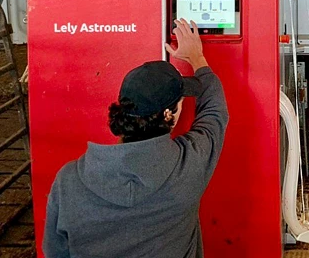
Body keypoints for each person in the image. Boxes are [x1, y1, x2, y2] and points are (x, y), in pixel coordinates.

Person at [43, 19, 228, 258]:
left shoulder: (68, 180)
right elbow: (215, 111)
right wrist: (197, 58)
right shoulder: (188, 167)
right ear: (168, 114)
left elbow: (55, 252)